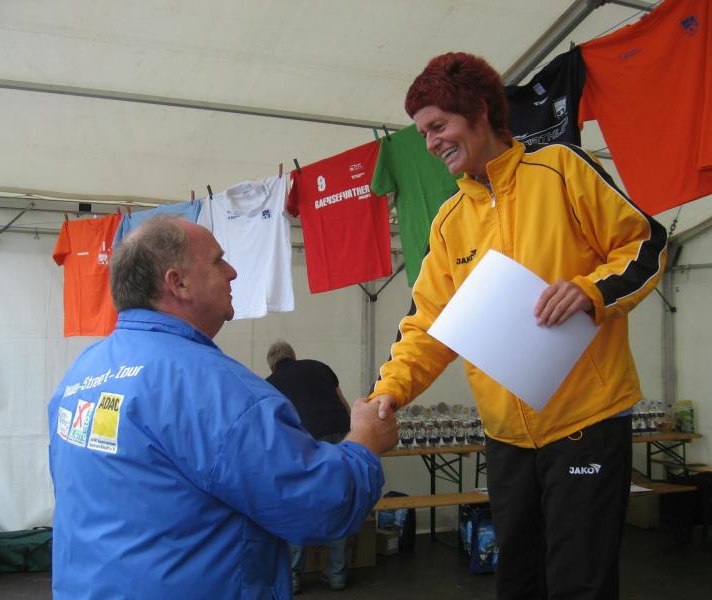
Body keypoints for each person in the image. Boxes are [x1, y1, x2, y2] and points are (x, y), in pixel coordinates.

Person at [371, 53, 667, 600]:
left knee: (580, 582)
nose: (431, 143)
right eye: (423, 133)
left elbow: (645, 243)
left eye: (439, 126)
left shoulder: (561, 169)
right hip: (506, 437)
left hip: (586, 423)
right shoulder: (449, 222)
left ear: (479, 111)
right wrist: (389, 391)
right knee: (517, 581)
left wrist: (590, 291)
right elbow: (429, 324)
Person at [48, 216, 397, 600]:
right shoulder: (216, 391)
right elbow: (318, 505)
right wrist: (365, 441)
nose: (232, 272)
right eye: (217, 261)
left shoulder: (81, 375)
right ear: (178, 283)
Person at [265, 340, 352, 593]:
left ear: (271, 365)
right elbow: (344, 404)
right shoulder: (319, 366)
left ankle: (293, 578)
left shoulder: (270, 383)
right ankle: (337, 575)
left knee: (298, 504)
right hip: (341, 432)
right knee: (338, 502)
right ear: (294, 355)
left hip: (308, 439)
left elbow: (275, 424)